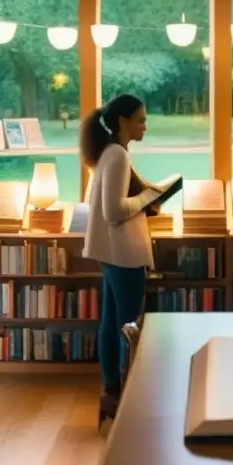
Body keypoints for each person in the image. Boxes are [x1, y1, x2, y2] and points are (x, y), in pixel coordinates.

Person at [80, 93, 157, 422]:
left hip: (110, 252)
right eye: (139, 119)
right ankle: (131, 397)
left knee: (111, 325)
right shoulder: (118, 156)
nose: (144, 126)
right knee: (129, 328)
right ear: (122, 122)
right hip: (123, 253)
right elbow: (114, 212)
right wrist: (148, 196)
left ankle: (112, 392)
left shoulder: (107, 154)